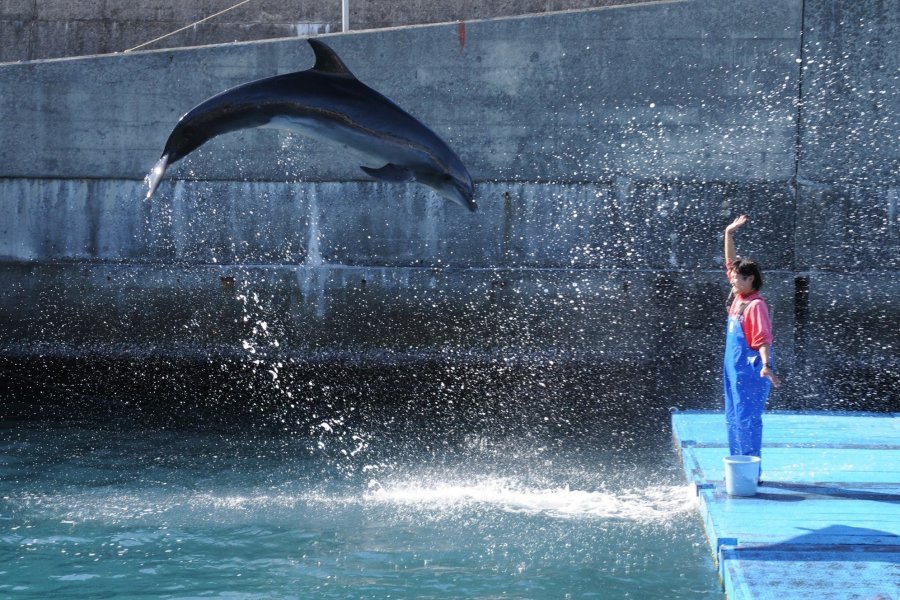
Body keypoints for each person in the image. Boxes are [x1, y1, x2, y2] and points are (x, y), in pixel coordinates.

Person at [723, 215, 780, 471]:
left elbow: (763, 339)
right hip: (733, 368)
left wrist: (766, 365)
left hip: (751, 368)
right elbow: (730, 262)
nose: (732, 280)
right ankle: (738, 466)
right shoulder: (738, 297)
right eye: (733, 276)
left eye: (737, 277)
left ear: (751, 280)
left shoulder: (755, 305)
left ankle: (751, 470)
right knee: (733, 417)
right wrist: (729, 234)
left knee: (747, 419)